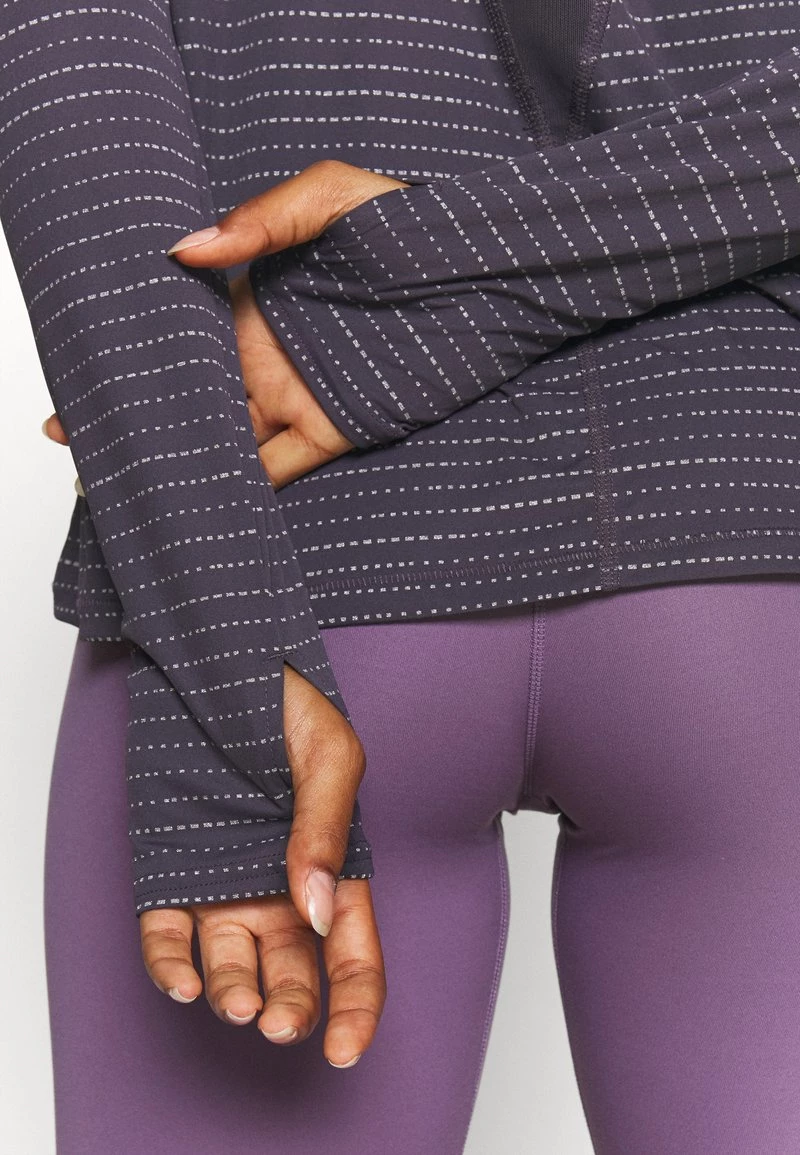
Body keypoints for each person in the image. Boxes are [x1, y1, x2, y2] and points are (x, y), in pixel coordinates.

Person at [5, 0, 800, 1150]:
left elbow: (74, 98)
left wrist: (223, 656)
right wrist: (426, 275)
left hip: (288, 550)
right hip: (742, 530)